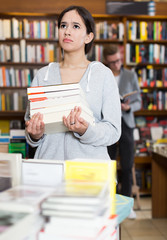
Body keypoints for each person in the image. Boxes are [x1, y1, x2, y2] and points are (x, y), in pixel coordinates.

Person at [24, 6, 121, 160]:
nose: (67, 31)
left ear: (88, 37)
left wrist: (86, 130)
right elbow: (30, 130)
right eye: (63, 26)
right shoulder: (43, 75)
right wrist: (35, 135)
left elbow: (113, 131)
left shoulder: (103, 75)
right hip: (49, 169)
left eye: (75, 26)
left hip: (88, 172)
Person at [103, 44, 141, 218]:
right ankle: (109, 202)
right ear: (107, 62)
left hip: (126, 122)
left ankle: (127, 205)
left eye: (118, 61)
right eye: (112, 62)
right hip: (108, 122)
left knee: (127, 165)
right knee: (108, 165)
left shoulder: (131, 75)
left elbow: (139, 101)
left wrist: (127, 107)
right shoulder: (102, 75)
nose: (116, 65)